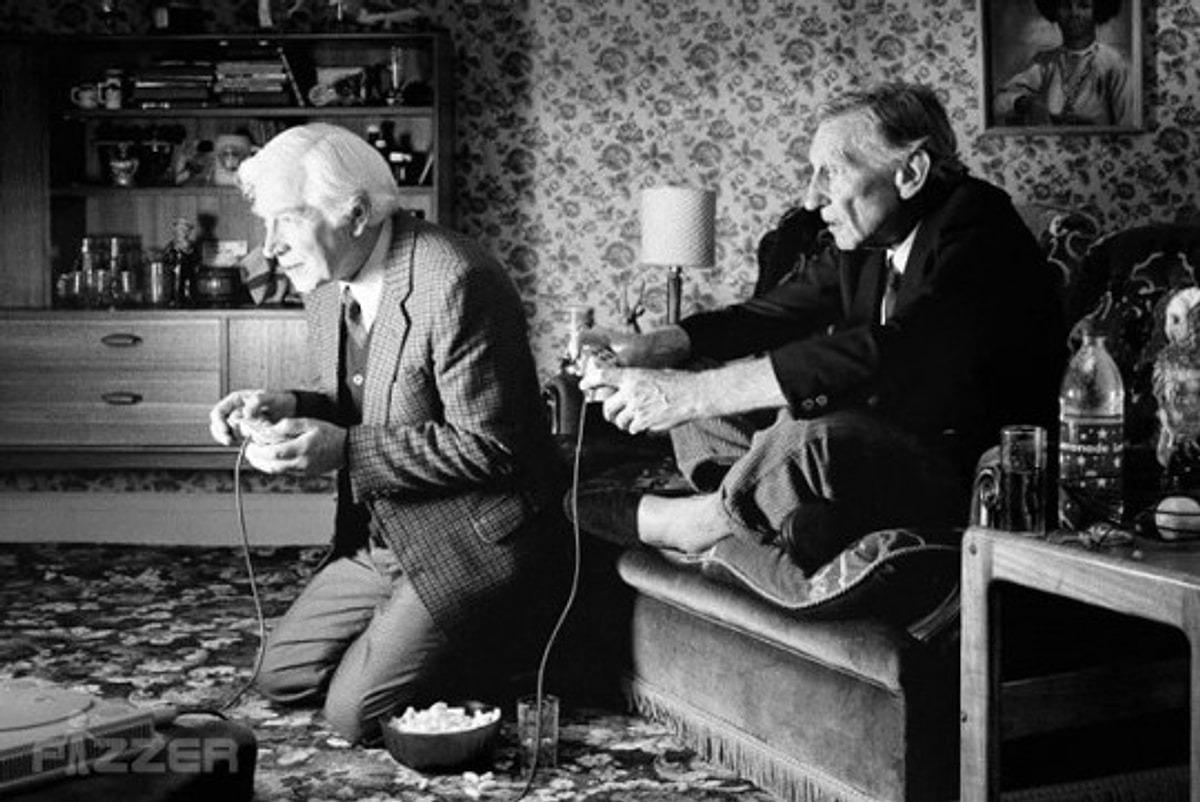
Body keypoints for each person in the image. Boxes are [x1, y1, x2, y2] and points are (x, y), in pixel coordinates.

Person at [573, 82, 1066, 573]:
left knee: (812, 437)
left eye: (830, 172)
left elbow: (897, 349)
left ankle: (707, 520)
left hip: (962, 470)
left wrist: (694, 395)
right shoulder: (869, 238)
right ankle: (763, 501)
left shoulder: (979, 223)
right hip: (875, 451)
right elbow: (769, 314)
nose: (811, 199)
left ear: (911, 172)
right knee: (704, 383)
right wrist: (652, 347)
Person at [208, 123, 561, 744]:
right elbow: (370, 401)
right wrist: (285, 404)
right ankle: (410, 631)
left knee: (353, 716)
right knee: (279, 677)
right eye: (266, 225)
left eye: (288, 221)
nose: (270, 248)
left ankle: (498, 640)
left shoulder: (457, 280)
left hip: (469, 540)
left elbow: (491, 446)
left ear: (356, 213)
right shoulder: (327, 283)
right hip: (384, 539)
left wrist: (343, 450)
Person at [993, 0, 1133, 127]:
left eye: (1084, 6)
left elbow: (1128, 125)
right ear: (1055, 11)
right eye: (1066, 6)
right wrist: (1026, 103)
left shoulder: (1115, 64)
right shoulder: (1045, 62)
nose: (1074, 13)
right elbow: (999, 101)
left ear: (1097, 11)